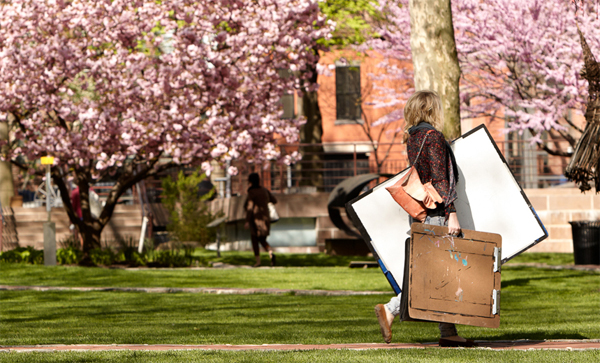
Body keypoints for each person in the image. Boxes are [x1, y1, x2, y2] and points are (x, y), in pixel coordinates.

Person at [374, 90, 476, 347]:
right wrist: (451, 213)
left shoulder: (413, 137)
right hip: (437, 214)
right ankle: (391, 308)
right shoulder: (433, 137)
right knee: (437, 272)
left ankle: (448, 332)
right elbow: (440, 179)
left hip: (422, 212)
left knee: (442, 271)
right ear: (432, 110)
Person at [244, 173, 277, 267]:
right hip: (266, 218)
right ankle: (270, 252)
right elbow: (274, 200)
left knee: (255, 239)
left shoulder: (252, 192)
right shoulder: (264, 190)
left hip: (256, 219)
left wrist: (247, 221)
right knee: (262, 239)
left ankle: (258, 261)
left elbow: (250, 207)